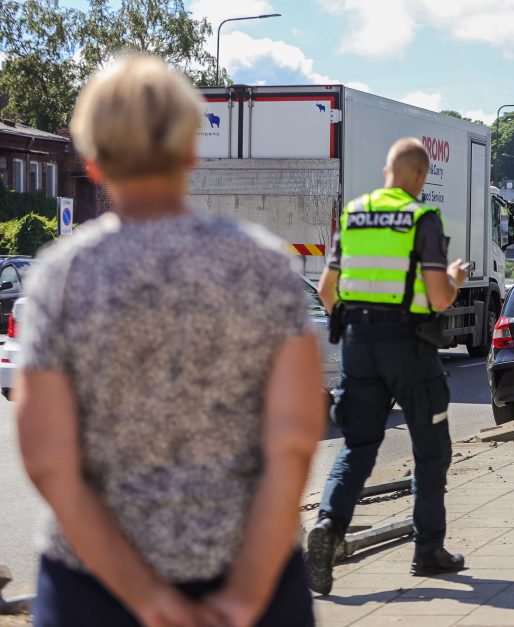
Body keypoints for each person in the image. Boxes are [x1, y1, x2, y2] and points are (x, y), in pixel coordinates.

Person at [16, 54, 325, 627]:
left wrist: (147, 599)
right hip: (251, 577)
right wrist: (246, 595)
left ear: (93, 161)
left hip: (94, 589)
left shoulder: (62, 278)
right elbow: (295, 441)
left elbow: (50, 460)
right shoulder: (265, 267)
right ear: (190, 151)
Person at [310, 138, 469, 595]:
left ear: (386, 170)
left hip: (358, 344)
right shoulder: (422, 218)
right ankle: (427, 552)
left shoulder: (354, 215)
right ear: (419, 176)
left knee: (358, 446)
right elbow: (439, 298)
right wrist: (455, 280)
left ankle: (328, 526)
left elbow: (326, 292)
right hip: (409, 345)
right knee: (430, 449)